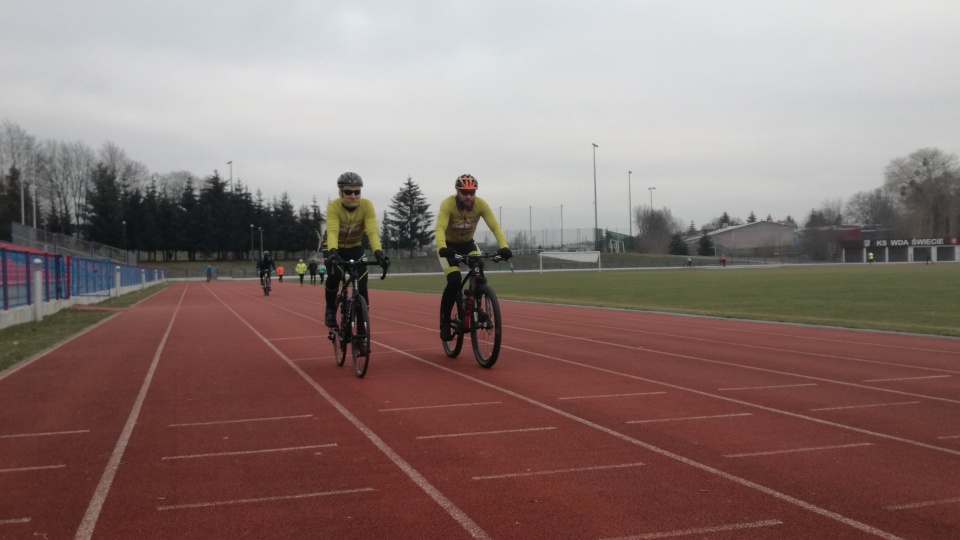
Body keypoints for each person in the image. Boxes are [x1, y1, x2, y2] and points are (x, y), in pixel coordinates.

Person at [435, 174, 512, 341]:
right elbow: (440, 228)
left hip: (468, 244)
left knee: (479, 270)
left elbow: (494, 226)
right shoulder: (447, 204)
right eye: (464, 192)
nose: (468, 196)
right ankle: (445, 322)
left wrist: (504, 246)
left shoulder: (481, 204)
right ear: (457, 192)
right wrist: (442, 247)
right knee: (454, 280)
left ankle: (476, 303)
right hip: (448, 247)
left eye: (471, 192)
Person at [323, 172, 387, 327]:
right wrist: (332, 251)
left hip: (354, 247)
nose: (353, 196)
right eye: (348, 192)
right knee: (335, 273)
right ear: (341, 192)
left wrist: (378, 251)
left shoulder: (366, 205)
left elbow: (372, 231)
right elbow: (332, 230)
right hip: (334, 246)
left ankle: (362, 329)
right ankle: (330, 308)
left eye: (357, 192)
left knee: (362, 282)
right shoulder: (334, 206)